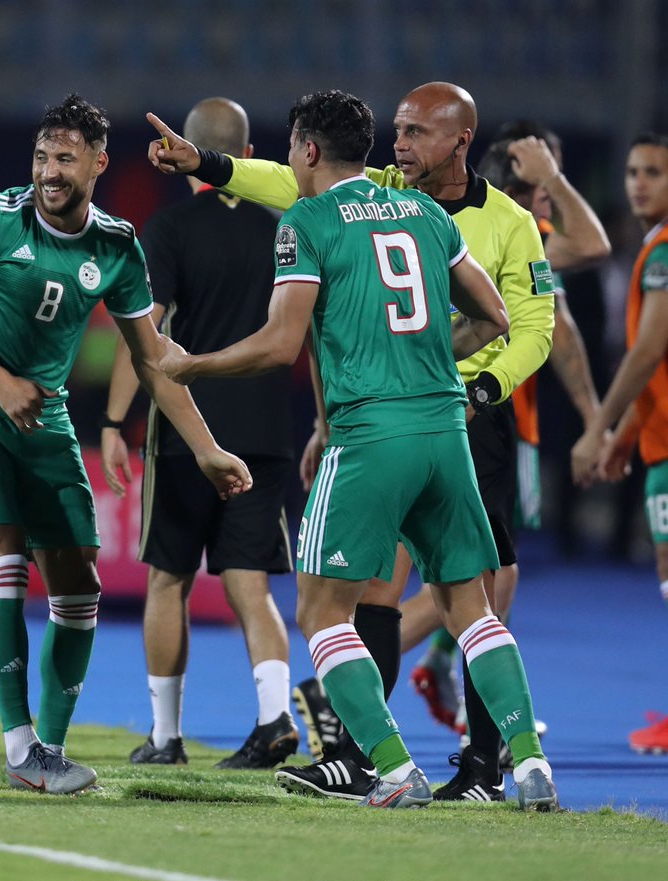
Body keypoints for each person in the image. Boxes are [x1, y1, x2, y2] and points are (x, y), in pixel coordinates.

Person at [148, 81, 556, 802]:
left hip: (370, 435)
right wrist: (428, 357)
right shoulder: (426, 213)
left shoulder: (307, 221)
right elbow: (497, 317)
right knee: (472, 608)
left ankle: (392, 768)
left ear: (308, 151)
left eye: (291, 150)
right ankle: (529, 765)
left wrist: (193, 364)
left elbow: (280, 345)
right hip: (445, 430)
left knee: (320, 610)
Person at [0, 94, 252, 795]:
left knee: (80, 589)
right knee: (4, 567)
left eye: (64, 159)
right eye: (41, 156)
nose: (48, 171)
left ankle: (51, 749)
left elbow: (152, 359)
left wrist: (207, 447)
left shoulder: (117, 246)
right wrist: (0, 380)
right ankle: (19, 748)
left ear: (98, 163)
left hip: (44, 416)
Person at [100, 97, 298, 769]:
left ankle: (166, 736)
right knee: (250, 584)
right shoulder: (285, 229)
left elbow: (144, 333)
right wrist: (325, 423)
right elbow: (313, 334)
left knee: (168, 579)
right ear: (249, 156)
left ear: (185, 154)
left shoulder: (170, 229)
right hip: (266, 429)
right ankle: (274, 718)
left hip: (187, 431)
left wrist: (113, 421)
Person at [407, 126, 610, 734]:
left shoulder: (496, 233)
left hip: (444, 410)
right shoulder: (513, 231)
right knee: (487, 575)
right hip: (484, 414)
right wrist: (552, 176)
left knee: (460, 572)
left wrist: (593, 418)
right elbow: (593, 246)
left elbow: (561, 331)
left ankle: (441, 677)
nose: (551, 198)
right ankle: (487, 718)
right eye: (543, 187)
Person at [572, 133, 668, 754]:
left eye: (654, 172)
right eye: (632, 171)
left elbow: (648, 350)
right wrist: (626, 435)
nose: (639, 183)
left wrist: (598, 427)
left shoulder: (663, 251)